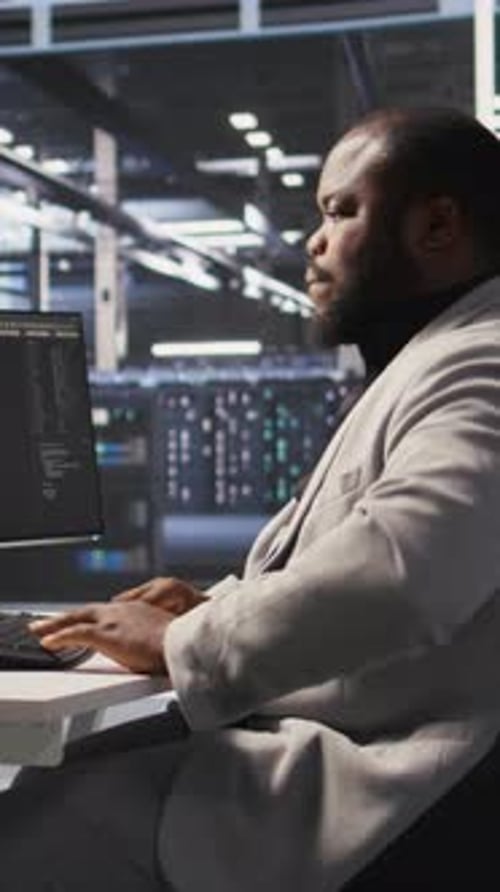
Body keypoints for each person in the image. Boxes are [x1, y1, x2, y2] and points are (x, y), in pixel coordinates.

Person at [2, 105, 500, 891]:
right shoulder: (441, 357)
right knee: (58, 779)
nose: (315, 239)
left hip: (386, 786)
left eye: (342, 211)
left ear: (437, 226)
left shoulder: (482, 365)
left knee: (36, 822)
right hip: (360, 747)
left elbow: (406, 572)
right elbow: (360, 553)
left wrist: (182, 644)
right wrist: (207, 607)